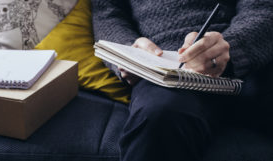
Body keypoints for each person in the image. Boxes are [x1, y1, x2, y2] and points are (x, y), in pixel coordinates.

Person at [91, 0, 273, 160]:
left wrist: (231, 46)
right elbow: (106, 14)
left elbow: (263, 8)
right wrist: (128, 52)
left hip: (246, 61)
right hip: (166, 69)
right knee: (159, 115)